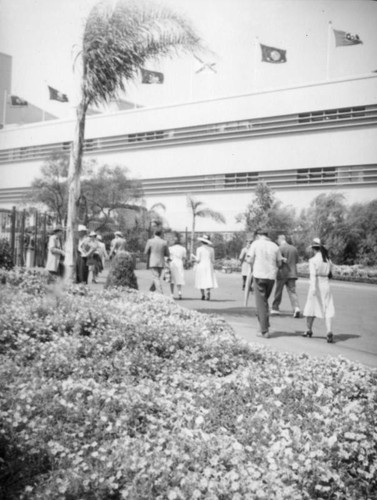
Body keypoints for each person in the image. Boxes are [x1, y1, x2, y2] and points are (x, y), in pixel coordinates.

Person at [246, 227, 282, 338]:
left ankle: (264, 330)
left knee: (261, 303)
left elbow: (250, 260)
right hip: (271, 276)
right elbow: (279, 263)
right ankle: (263, 324)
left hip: (259, 275)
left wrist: (249, 260)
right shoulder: (275, 246)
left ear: (258, 235)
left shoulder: (255, 244)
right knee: (264, 301)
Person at [303, 238, 335, 343]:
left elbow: (312, 275)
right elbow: (331, 272)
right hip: (325, 284)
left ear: (313, 248)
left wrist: (312, 288)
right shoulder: (327, 260)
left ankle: (308, 329)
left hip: (316, 284)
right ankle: (329, 330)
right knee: (327, 307)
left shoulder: (313, 260)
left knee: (311, 307)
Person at [271, 234, 301, 317]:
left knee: (278, 291)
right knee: (292, 292)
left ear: (279, 240)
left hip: (282, 273)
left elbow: (278, 262)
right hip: (292, 273)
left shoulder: (279, 248)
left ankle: (275, 308)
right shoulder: (294, 248)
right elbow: (296, 261)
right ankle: (296, 308)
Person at [144, 229, 170, 293]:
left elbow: (146, 252)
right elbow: (167, 254)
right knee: (157, 277)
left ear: (154, 234)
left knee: (156, 277)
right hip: (161, 262)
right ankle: (151, 291)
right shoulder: (164, 242)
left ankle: (160, 293)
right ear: (160, 234)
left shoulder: (150, 241)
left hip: (153, 261)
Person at [192, 235, 218, 300]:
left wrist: (194, 257)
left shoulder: (199, 249)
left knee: (201, 279)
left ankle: (203, 294)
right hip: (209, 265)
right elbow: (213, 260)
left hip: (201, 266)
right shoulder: (211, 249)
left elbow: (198, 260)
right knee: (208, 278)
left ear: (202, 241)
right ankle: (208, 291)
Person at [168, 234, 187, 299]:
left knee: (172, 279)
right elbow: (184, 258)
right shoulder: (183, 249)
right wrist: (183, 264)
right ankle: (179, 292)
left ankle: (172, 294)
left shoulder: (170, 248)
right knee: (179, 277)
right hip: (180, 262)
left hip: (173, 262)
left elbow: (168, 257)